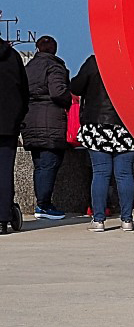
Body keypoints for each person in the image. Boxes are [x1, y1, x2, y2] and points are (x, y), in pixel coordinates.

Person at [70, 54, 134, 232]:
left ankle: (99, 220)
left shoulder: (95, 61)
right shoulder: (130, 60)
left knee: (100, 173)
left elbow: (76, 87)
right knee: (124, 174)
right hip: (127, 124)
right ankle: (127, 220)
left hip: (97, 125)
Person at [20, 35, 71, 220]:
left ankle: (42, 203)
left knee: (40, 165)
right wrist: (69, 99)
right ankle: (44, 205)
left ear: (37, 48)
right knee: (49, 165)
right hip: (50, 123)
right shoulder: (54, 67)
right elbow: (58, 92)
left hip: (30, 122)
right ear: (54, 49)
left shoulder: (28, 68)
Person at [0, 35, 27, 235]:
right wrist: (16, 118)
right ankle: (2, 218)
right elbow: (24, 93)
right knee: (4, 172)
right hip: (7, 125)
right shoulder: (13, 57)